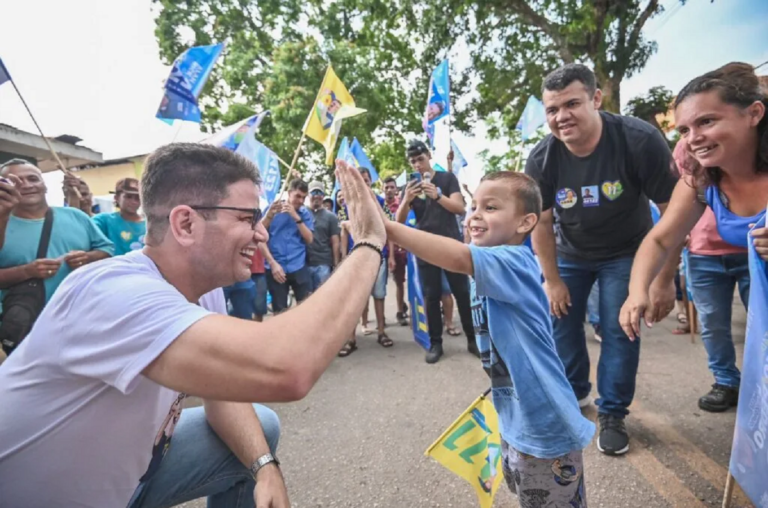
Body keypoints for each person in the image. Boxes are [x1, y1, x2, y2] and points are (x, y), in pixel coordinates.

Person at [0, 145, 387, 507]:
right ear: (185, 224)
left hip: (126, 480)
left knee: (259, 429)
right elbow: (288, 366)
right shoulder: (114, 292)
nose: (262, 233)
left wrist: (264, 466)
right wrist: (369, 243)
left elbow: (225, 390)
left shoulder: (204, 289)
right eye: (247, 218)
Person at [384, 171, 595, 507]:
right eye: (473, 206)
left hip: (544, 424)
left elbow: (455, 256)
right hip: (515, 418)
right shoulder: (491, 258)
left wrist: (387, 227)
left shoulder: (512, 261)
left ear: (525, 222)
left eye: (491, 207)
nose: (475, 215)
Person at [525, 64, 679, 456]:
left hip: (628, 252)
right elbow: (541, 223)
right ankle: (574, 395)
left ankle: (613, 412)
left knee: (620, 328)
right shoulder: (542, 158)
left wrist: (664, 279)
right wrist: (552, 278)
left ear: (596, 99)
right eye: (552, 109)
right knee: (560, 323)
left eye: (572, 103)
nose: (562, 117)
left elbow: (674, 213)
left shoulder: (639, 140)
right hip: (570, 253)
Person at [620, 62, 768, 411]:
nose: (692, 138)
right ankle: (729, 384)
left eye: (707, 122)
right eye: (685, 129)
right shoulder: (700, 181)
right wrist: (637, 291)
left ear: (754, 114)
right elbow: (659, 240)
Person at [0, 160, 114, 351]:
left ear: (44, 185)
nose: (27, 185)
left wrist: (88, 257)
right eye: (17, 182)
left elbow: (108, 251)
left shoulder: (75, 216)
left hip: (83, 323)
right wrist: (27, 271)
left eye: (32, 179)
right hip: (25, 329)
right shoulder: (2, 224)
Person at [396, 140, 478, 363]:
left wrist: (437, 196)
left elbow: (460, 208)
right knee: (431, 296)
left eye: (420, 159)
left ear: (429, 156)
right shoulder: (409, 186)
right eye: (413, 162)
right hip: (425, 246)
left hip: (451, 243)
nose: (418, 165)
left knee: (461, 292)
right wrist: (406, 200)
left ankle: (472, 339)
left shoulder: (446, 179)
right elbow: (399, 222)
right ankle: (435, 343)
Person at [339, 169, 395, 353]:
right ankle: (351, 339)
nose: (363, 183)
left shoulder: (380, 202)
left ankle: (381, 332)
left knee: (379, 295)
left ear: (370, 182)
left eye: (366, 180)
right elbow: (344, 232)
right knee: (355, 299)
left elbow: (390, 230)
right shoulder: (347, 203)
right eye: (359, 180)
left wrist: (392, 255)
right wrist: (343, 258)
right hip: (356, 258)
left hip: (379, 255)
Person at [261, 179, 314, 313]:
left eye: (304, 197)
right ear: (289, 193)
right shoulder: (273, 209)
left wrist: (296, 217)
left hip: (298, 266)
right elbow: (259, 235)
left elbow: (309, 239)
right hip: (276, 268)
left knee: (306, 308)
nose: (301, 201)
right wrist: (272, 264)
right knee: (280, 311)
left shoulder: (305, 213)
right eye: (298, 196)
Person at [92, 177, 147, 255]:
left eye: (137, 198)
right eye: (128, 197)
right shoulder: (104, 220)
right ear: (116, 198)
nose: (133, 202)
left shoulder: (149, 224)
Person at [306, 181, 341, 292]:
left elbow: (335, 242)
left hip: (323, 263)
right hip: (304, 263)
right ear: (308, 194)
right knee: (304, 299)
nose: (316, 195)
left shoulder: (331, 217)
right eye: (313, 192)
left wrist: (336, 264)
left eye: (319, 192)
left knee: (322, 295)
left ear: (323, 195)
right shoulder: (302, 213)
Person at [383, 176, 409, 326]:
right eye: (386, 188)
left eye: (392, 187)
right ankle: (400, 309)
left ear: (396, 189)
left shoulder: (402, 205)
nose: (389, 190)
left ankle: (402, 310)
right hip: (388, 250)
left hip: (405, 250)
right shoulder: (380, 207)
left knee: (409, 281)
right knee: (398, 282)